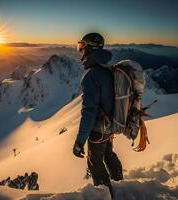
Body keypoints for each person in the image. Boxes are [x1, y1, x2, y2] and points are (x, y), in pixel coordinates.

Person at [73, 33, 123, 198]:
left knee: (94, 162)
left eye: (82, 47)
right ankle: (120, 186)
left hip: (98, 130)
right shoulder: (108, 69)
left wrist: (80, 141)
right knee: (108, 154)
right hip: (110, 126)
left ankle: (105, 195)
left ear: (88, 48)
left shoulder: (92, 75)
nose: (80, 50)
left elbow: (89, 112)